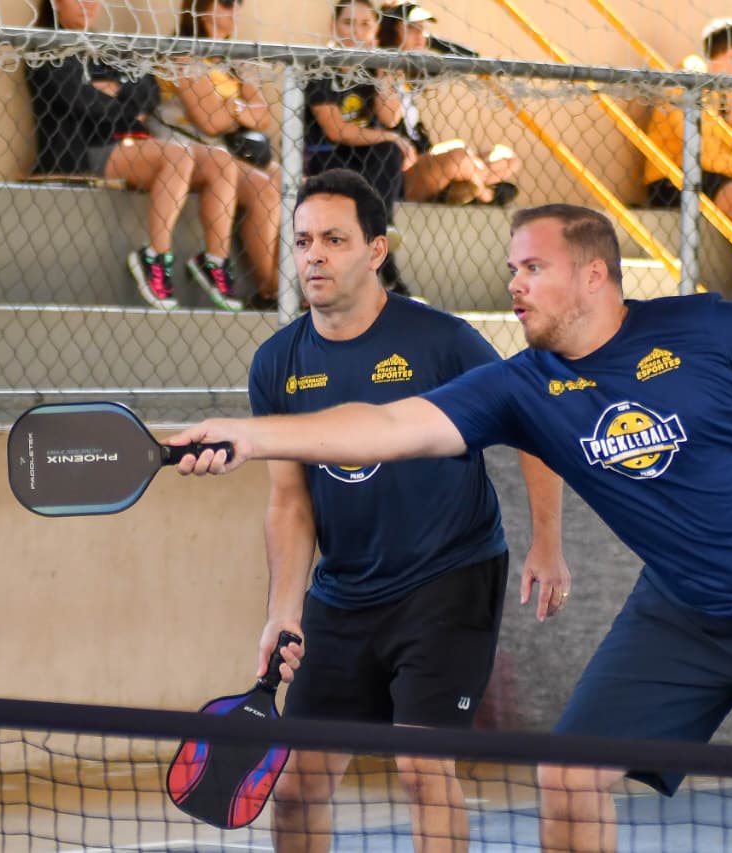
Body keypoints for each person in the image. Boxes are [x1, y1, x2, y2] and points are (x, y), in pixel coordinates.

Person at [167, 202, 732, 853]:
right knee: (568, 773)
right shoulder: (520, 384)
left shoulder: (703, 328)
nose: (514, 284)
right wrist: (244, 435)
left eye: (532, 267)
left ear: (594, 273)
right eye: (511, 268)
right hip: (682, 613)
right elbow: (390, 426)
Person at [243, 168, 570, 853]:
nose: (315, 256)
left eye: (335, 239)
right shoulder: (277, 363)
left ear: (376, 249)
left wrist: (547, 542)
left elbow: (532, 425)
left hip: (449, 576)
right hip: (345, 590)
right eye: (303, 241)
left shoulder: (440, 342)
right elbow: (289, 499)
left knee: (423, 771)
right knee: (298, 787)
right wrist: (284, 609)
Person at [26, 0, 245, 310]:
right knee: (177, 155)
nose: (88, 4)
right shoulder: (44, 47)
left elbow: (147, 90)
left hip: (131, 147)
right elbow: (80, 102)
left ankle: (215, 261)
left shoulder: (106, 45)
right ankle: (154, 256)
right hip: (82, 153)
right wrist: (124, 105)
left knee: (219, 161)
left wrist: (114, 92)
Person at [152, 0, 283, 309]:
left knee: (280, 180)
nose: (235, 9)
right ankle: (246, 277)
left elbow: (264, 117)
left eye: (239, 3)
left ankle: (280, 284)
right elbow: (208, 121)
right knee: (252, 180)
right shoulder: (182, 52)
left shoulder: (235, 57)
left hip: (222, 154)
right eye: (226, 2)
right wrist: (240, 109)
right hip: (184, 149)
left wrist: (230, 108)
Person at [304, 0, 415, 295]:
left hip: (364, 164)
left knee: (389, 153)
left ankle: (382, 233)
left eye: (365, 25)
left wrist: (382, 72)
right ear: (333, 26)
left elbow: (390, 117)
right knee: (388, 146)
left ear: (376, 30)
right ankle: (389, 273)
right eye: (348, 23)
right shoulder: (320, 67)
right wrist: (389, 138)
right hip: (325, 160)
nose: (356, 32)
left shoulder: (371, 69)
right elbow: (336, 129)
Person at [375, 2, 521, 206]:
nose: (421, 35)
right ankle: (485, 194)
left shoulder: (415, 71)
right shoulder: (378, 70)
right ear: (393, 32)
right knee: (459, 157)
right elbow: (389, 119)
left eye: (423, 29)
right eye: (413, 29)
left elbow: (470, 58)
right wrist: (395, 57)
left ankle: (466, 187)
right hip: (403, 172)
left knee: (507, 158)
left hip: (427, 160)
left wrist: (427, 41)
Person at [641, 18, 732, 236]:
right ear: (731, 54)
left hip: (715, 173)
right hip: (672, 177)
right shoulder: (691, 77)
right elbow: (703, 154)